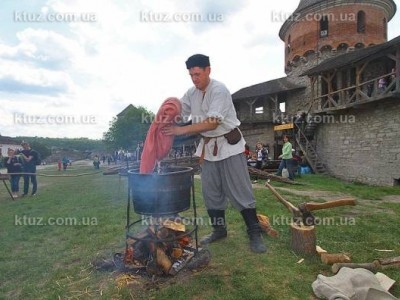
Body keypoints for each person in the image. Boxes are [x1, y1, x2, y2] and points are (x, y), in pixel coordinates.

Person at [162, 54, 267, 253]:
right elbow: (180, 113)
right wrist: (165, 116)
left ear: (208, 70)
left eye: (198, 74)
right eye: (191, 75)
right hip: (208, 149)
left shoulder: (219, 90)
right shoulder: (191, 94)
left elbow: (212, 122)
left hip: (229, 146)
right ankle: (219, 230)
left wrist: (180, 131)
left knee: (240, 190)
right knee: (211, 192)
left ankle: (254, 232)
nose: (194, 78)